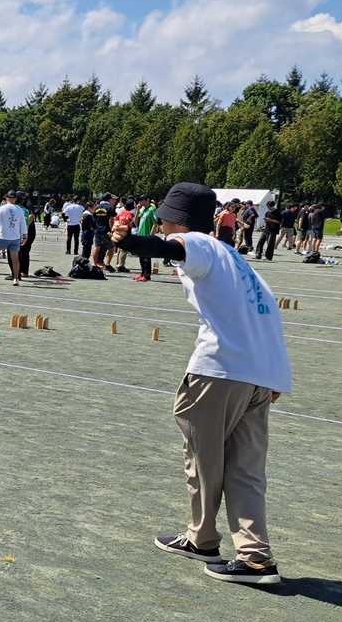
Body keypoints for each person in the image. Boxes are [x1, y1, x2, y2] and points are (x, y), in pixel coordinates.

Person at [121, 182, 291, 586]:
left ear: (173, 219)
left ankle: (202, 539)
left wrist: (130, 242)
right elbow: (268, 314)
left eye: (164, 220)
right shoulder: (236, 259)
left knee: (203, 458)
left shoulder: (197, 243)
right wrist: (275, 374)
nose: (161, 226)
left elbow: (174, 248)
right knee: (246, 469)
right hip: (258, 373)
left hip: (219, 371)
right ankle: (255, 558)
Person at [132, 197, 158, 281]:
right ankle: (142, 273)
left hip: (147, 236)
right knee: (141, 256)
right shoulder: (143, 209)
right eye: (139, 200)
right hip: (140, 235)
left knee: (146, 257)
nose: (140, 202)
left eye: (142, 200)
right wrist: (137, 210)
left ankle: (147, 275)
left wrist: (151, 235)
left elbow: (155, 223)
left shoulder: (152, 209)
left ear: (147, 200)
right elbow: (136, 223)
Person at [111, 199, 135, 273]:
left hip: (118, 233)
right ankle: (121, 266)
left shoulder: (121, 213)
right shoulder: (131, 215)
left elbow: (115, 220)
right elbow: (132, 225)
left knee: (119, 249)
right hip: (126, 234)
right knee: (124, 250)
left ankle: (118, 264)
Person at [91, 193, 114, 270]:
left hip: (98, 230)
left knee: (97, 247)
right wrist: (112, 230)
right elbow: (111, 220)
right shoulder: (110, 207)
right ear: (109, 199)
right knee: (111, 248)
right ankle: (108, 264)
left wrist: (95, 228)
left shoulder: (97, 207)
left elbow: (93, 219)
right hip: (106, 231)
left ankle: (94, 264)